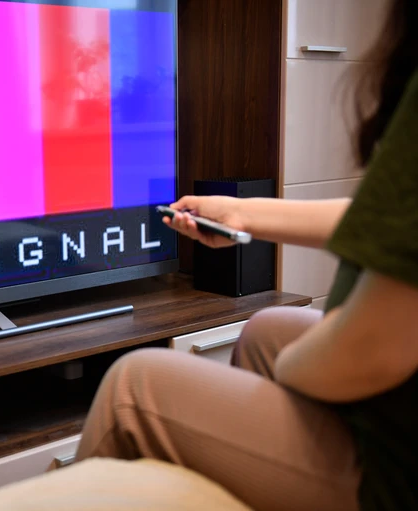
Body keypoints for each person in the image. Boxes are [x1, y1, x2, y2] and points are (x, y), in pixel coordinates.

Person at [75, 1, 418, 510]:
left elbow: (372, 353)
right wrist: (241, 212)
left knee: (133, 384)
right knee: (266, 329)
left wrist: (292, 367)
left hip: (395, 474)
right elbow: (390, 224)